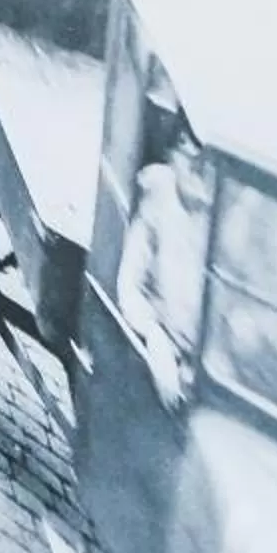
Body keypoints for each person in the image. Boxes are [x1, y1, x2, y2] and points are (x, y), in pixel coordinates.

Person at [117, 127, 215, 411]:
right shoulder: (159, 196)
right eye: (187, 152)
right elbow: (130, 284)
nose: (197, 167)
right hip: (168, 354)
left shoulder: (227, 219)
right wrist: (155, 336)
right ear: (173, 154)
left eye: (207, 160)